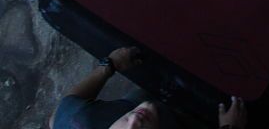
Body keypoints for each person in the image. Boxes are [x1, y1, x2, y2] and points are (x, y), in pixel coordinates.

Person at [48, 45, 247, 129]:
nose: (133, 120)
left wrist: (109, 65)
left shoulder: (79, 120)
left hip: (141, 99)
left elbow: (57, 117)